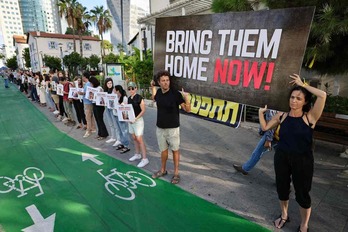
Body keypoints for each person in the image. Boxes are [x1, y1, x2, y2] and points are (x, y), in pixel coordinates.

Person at [259, 74, 326, 232]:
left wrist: (302, 84)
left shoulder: (310, 117)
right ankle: (284, 215)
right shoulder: (281, 116)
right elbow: (265, 128)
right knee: (282, 188)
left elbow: (322, 95)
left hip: (303, 160)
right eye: (292, 97)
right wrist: (261, 113)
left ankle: (304, 224)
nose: (293, 101)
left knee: (302, 193)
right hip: (281, 156)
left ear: (305, 102)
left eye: (298, 98)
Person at [150, 70, 191, 184]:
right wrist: (152, 87)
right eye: (163, 81)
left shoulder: (175, 94)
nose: (165, 83)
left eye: (167, 80)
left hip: (173, 128)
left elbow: (187, 109)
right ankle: (163, 170)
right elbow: (154, 98)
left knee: (175, 150)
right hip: (160, 128)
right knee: (163, 151)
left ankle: (176, 173)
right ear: (159, 82)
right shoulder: (158, 93)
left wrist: (186, 98)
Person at [233, 109, 278, 175]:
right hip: (278, 135)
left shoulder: (271, 106)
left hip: (273, 135)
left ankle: (246, 168)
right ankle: (283, 178)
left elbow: (271, 123)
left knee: (258, 151)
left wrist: (268, 139)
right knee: (280, 158)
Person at [127, 82, 148, 168]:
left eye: (132, 88)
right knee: (134, 138)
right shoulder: (128, 98)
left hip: (138, 120)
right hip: (130, 121)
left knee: (139, 139)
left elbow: (143, 110)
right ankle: (137, 154)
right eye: (129, 89)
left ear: (136, 88)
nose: (131, 90)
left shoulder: (139, 98)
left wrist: (136, 118)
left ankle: (144, 158)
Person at [79, 71, 96, 138]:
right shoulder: (87, 84)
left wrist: (81, 93)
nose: (82, 77)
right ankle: (93, 128)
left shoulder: (88, 84)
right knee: (90, 116)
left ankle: (88, 130)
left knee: (88, 116)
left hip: (87, 102)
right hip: (87, 102)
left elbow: (88, 92)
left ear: (84, 77)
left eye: (82, 76)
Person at [103, 78, 120, 144]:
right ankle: (113, 137)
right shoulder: (105, 91)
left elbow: (117, 98)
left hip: (113, 109)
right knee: (110, 123)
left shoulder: (114, 90)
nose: (109, 84)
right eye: (108, 83)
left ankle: (118, 139)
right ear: (106, 84)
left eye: (110, 83)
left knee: (115, 124)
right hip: (107, 108)